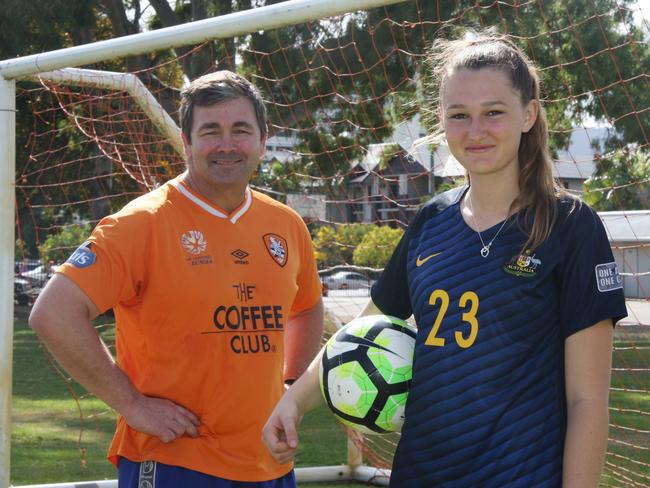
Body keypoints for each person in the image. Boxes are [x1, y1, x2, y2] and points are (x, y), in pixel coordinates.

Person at [262, 31, 627, 487]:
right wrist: (293, 403)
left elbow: (587, 400)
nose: (476, 131)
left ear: (528, 114)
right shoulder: (431, 221)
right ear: (442, 120)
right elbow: (361, 336)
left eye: (494, 112)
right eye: (459, 115)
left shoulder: (571, 226)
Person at [29, 70, 324, 487]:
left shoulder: (287, 225)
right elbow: (53, 314)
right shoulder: (141, 222)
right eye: (210, 131)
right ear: (186, 142)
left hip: (270, 463)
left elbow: (307, 307)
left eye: (241, 129)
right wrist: (132, 404)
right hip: (175, 463)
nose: (226, 144)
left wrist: (291, 392)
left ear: (263, 138)